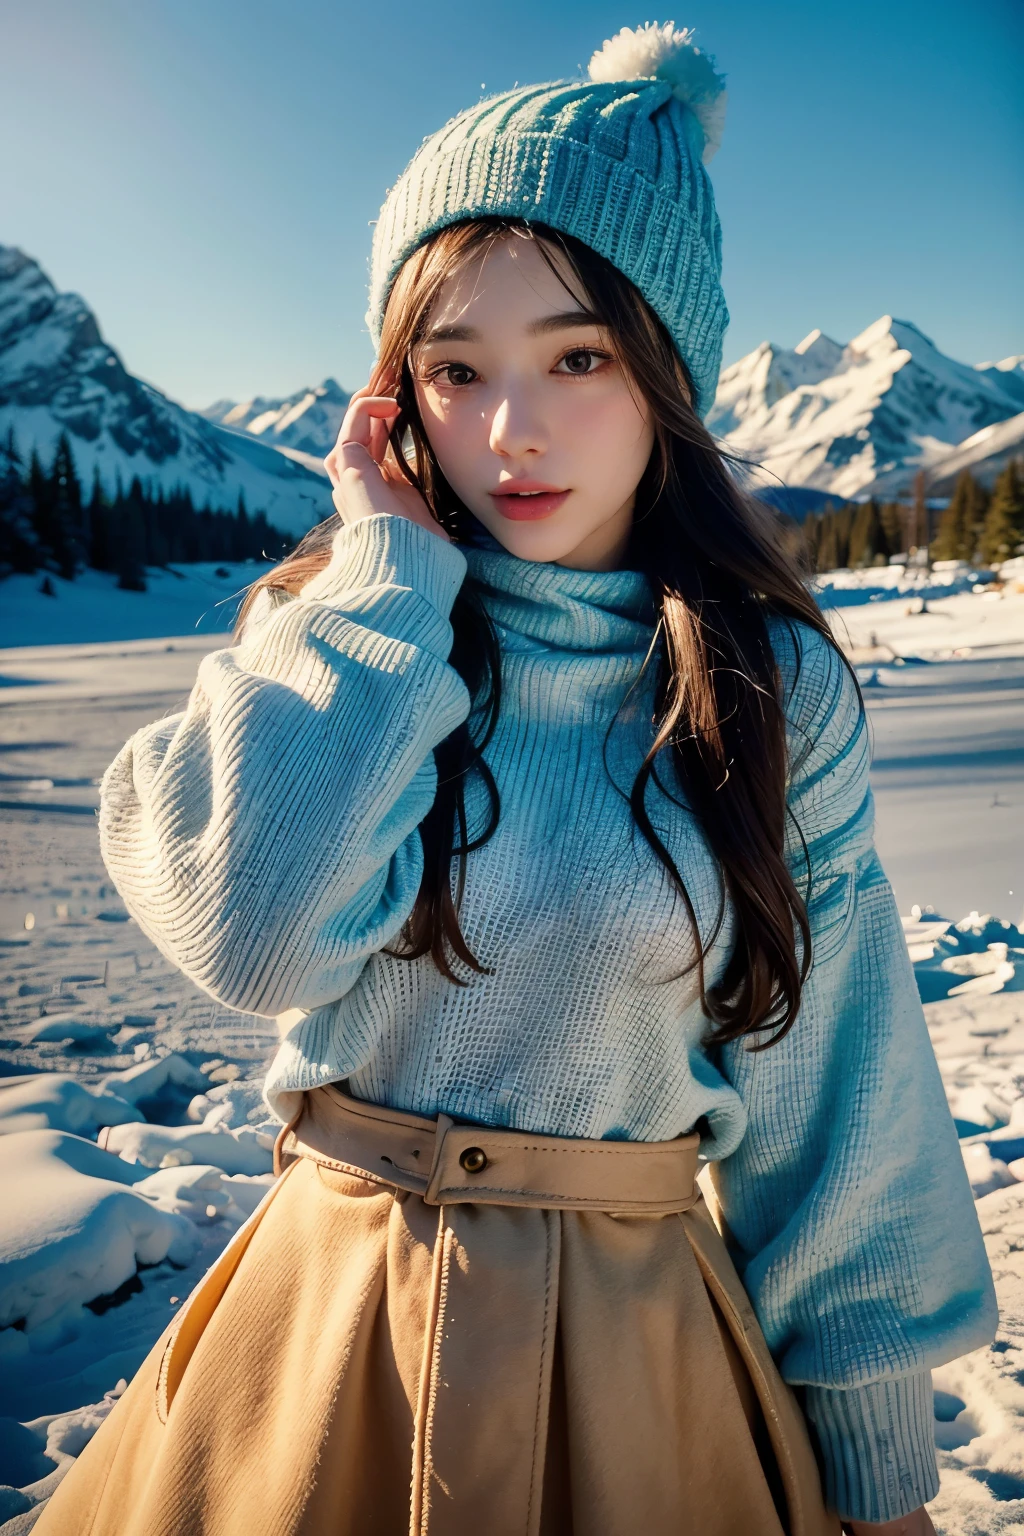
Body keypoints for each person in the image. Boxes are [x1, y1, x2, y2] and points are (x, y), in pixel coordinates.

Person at [38, 22, 995, 1536]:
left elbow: (839, 1090)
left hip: (640, 1360)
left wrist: (874, 1471)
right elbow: (256, 940)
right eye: (454, 367)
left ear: (666, 375)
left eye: (578, 357)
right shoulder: (341, 638)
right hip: (326, 1335)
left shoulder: (762, 688)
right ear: (394, 395)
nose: (511, 431)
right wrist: (382, 589)